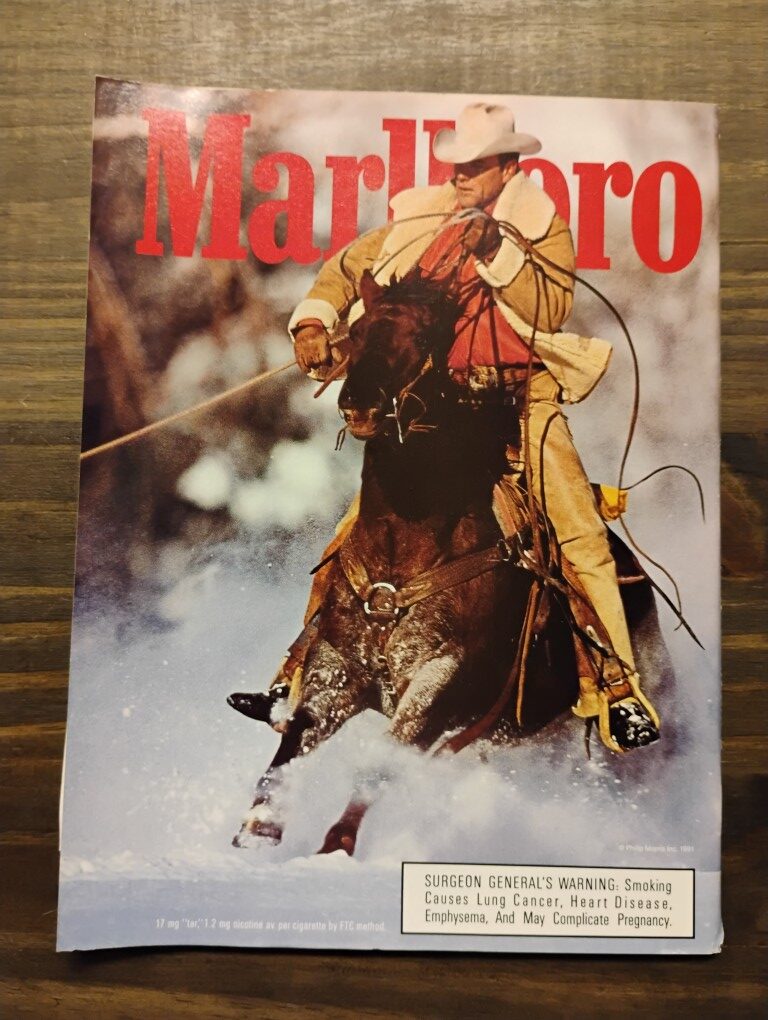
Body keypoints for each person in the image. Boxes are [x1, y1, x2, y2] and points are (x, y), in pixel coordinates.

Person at [229, 103, 660, 753]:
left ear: (508, 167)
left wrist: (497, 256)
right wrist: (315, 319)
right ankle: (294, 678)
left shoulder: (540, 229)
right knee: (351, 537)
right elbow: (349, 267)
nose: (460, 175)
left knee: (576, 534)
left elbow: (551, 306)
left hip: (521, 403)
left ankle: (617, 687)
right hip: (441, 412)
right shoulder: (422, 221)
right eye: (456, 164)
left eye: (475, 166)